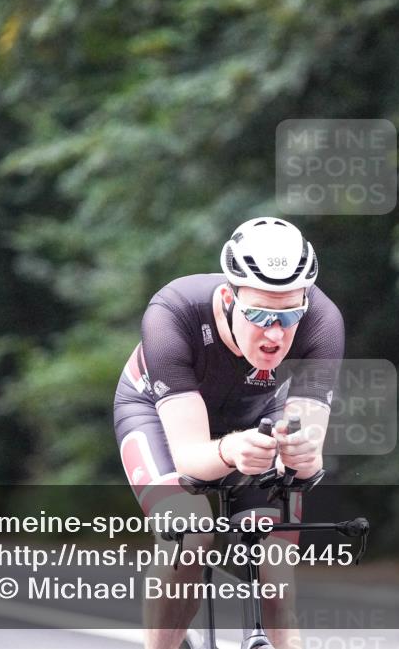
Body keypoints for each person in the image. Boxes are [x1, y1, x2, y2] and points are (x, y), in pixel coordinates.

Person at [114, 217, 344, 649]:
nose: (275, 333)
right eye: (259, 314)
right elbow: (190, 459)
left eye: (289, 315)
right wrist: (232, 450)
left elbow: (307, 462)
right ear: (227, 297)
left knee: (275, 574)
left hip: (258, 413)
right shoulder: (173, 314)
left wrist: (300, 455)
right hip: (158, 414)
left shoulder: (323, 322)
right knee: (190, 533)